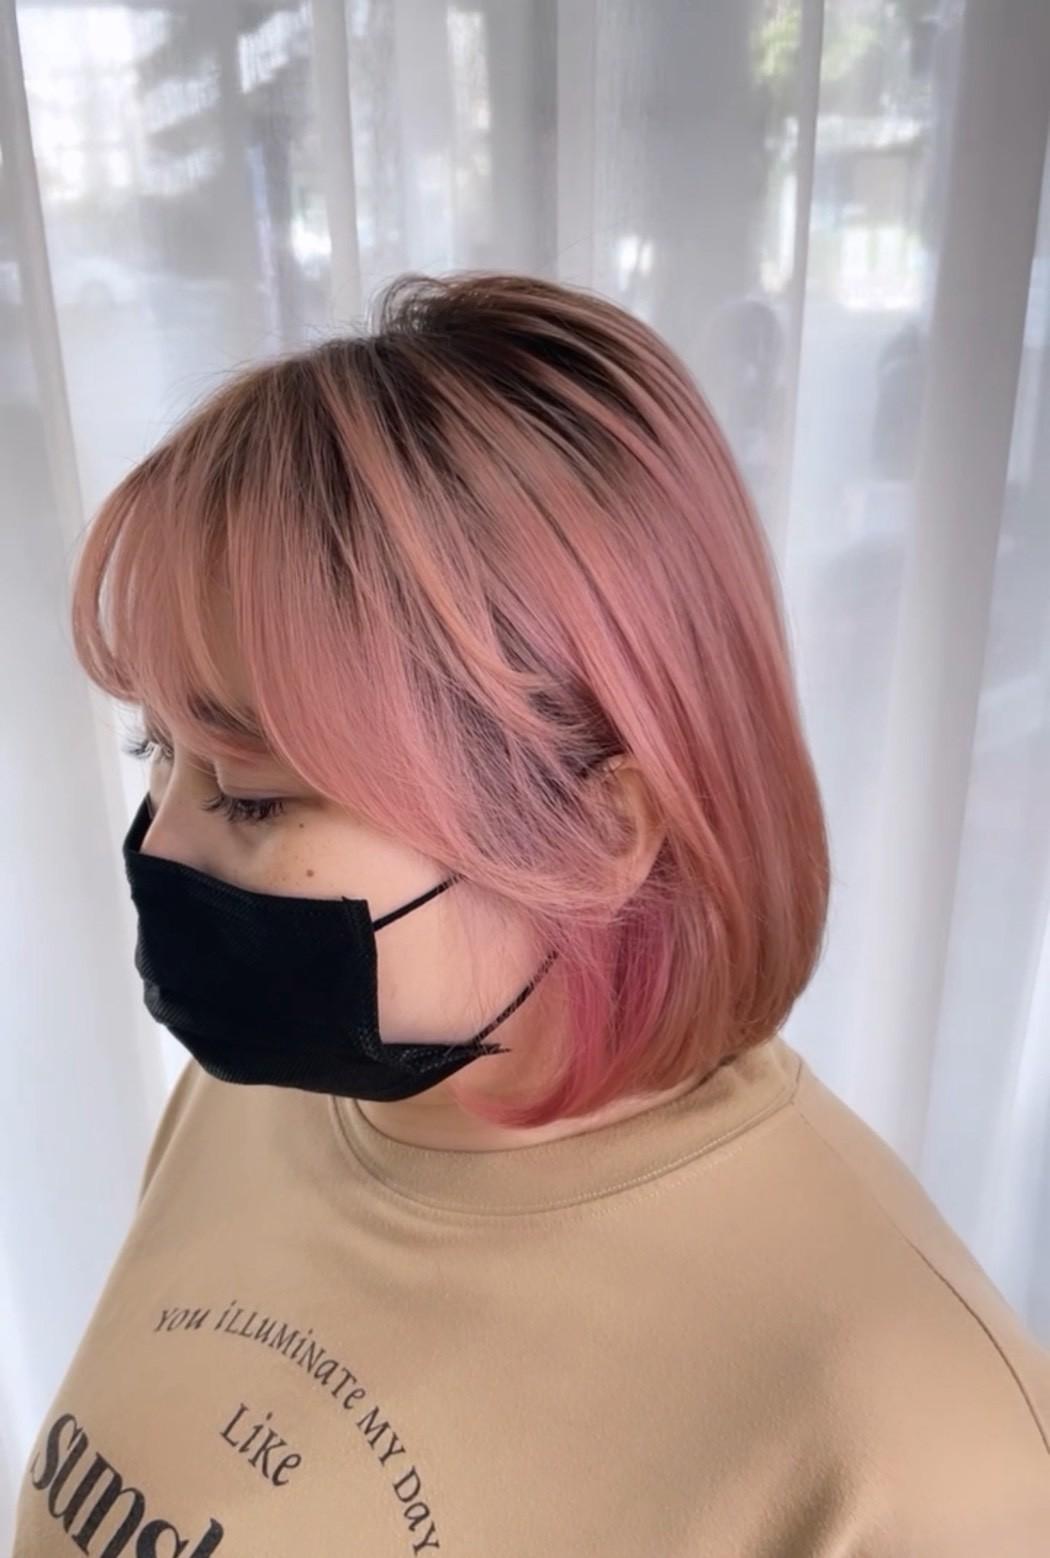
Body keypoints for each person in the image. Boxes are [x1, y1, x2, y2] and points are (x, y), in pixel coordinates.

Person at [13, 271, 1050, 1556]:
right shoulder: (256, 1101)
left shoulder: (915, 1449)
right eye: (155, 751)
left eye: (256, 795)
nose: (160, 841)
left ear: (599, 830)